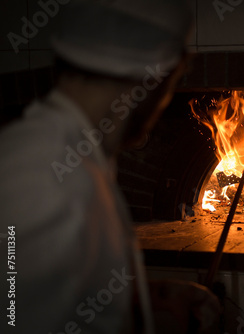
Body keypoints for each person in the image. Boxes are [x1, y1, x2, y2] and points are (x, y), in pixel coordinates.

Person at [0, 0, 219, 333]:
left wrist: (150, 297)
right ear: (157, 77)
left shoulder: (65, 151)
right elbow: (14, 315)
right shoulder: (44, 179)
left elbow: (52, 290)